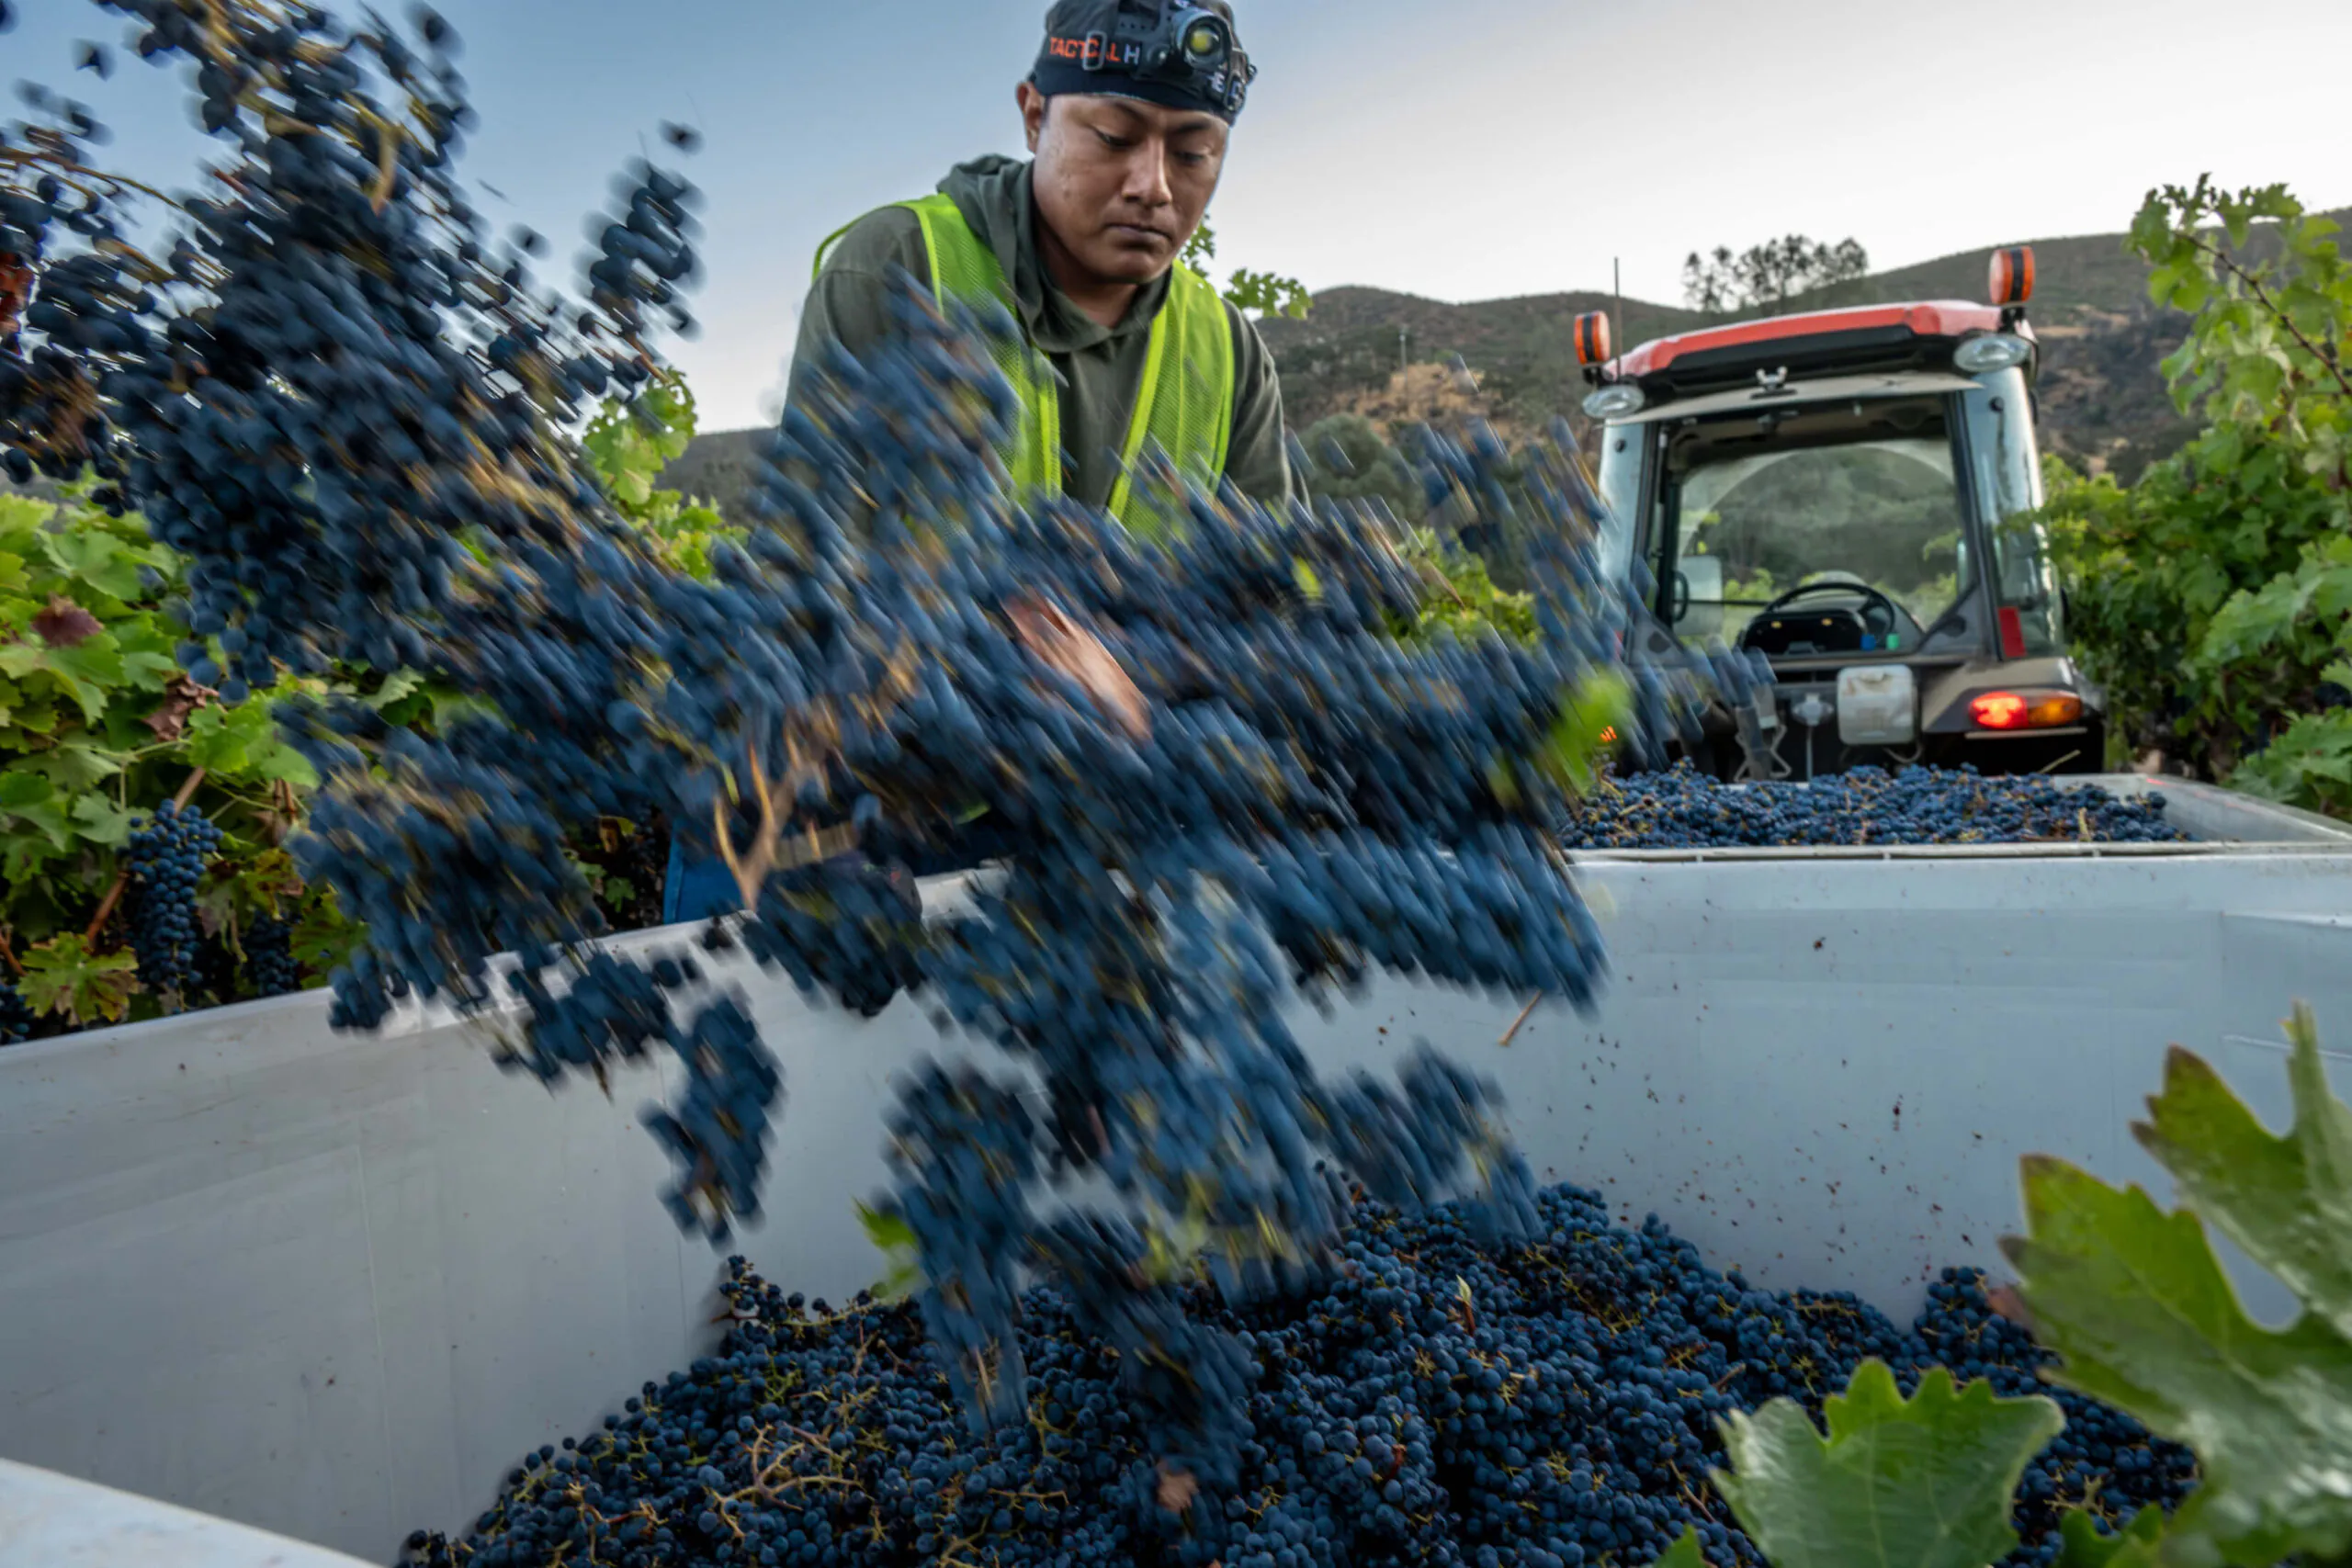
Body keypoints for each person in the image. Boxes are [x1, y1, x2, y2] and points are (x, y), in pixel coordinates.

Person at [662, 0, 1295, 926]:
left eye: (1193, 152)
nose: (1153, 185)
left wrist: (1151, 682)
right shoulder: (901, 264)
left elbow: (1272, 612)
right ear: (1035, 113)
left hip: (1055, 803)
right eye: (1114, 136)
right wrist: (813, 829)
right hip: (858, 778)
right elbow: (808, 581)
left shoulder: (1229, 353)